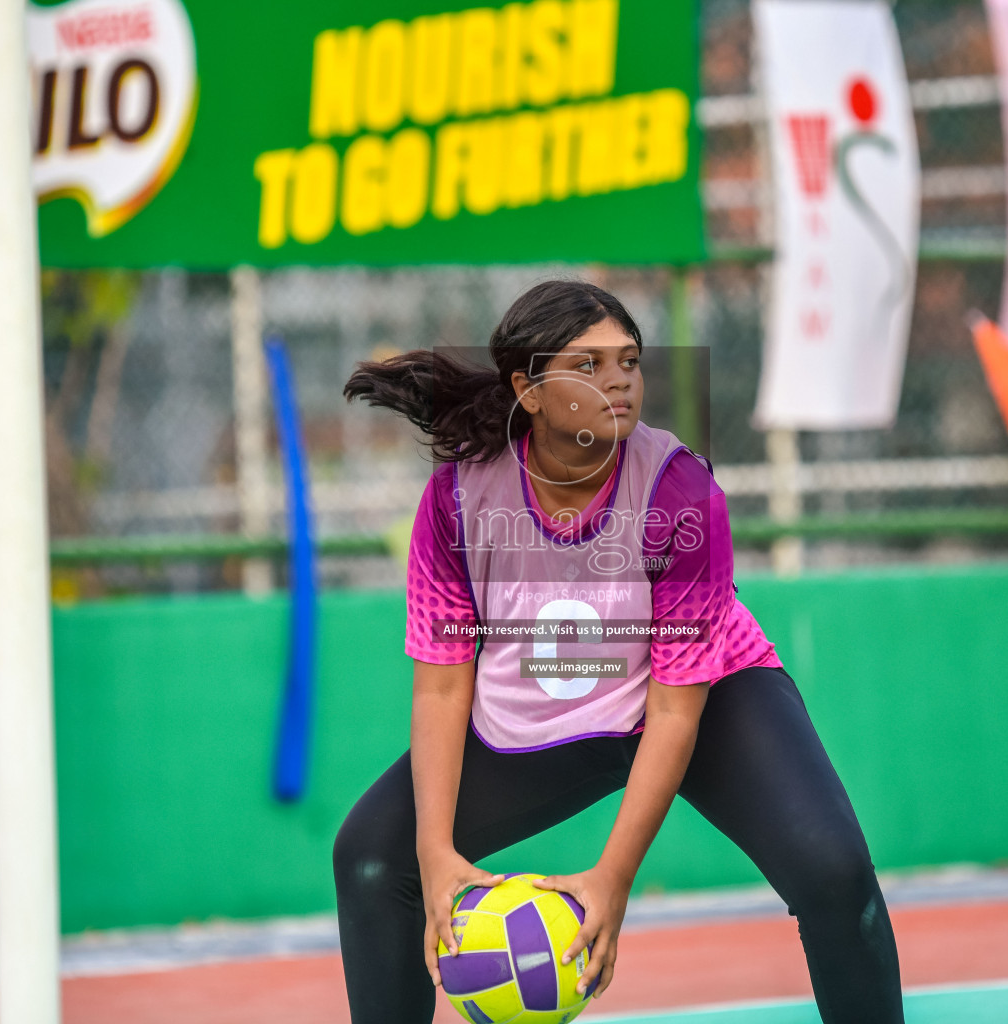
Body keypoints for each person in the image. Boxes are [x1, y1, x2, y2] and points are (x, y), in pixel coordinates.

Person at [332, 279, 904, 1022]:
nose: (618, 383)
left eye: (628, 362)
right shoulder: (459, 501)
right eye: (588, 366)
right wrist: (436, 856)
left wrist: (612, 876)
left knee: (834, 874)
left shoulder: (679, 492)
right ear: (528, 391)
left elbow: (672, 708)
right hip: (550, 707)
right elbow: (443, 687)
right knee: (375, 859)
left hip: (702, 698)